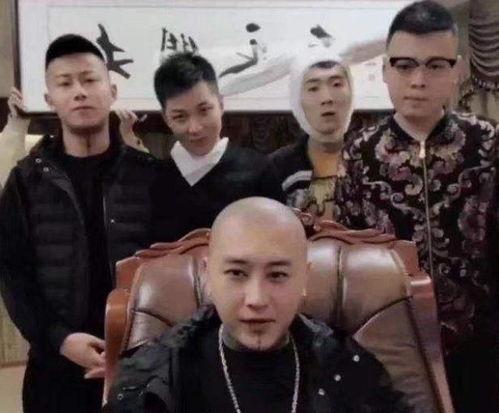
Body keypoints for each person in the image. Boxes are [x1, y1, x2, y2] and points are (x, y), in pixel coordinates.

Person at [336, 1, 499, 411]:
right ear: (385, 70)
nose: (418, 81)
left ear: (457, 70)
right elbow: (348, 260)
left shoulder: (488, 144)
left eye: (435, 66)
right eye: (405, 66)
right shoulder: (360, 153)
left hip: (482, 343)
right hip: (388, 349)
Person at [107, 197, 410, 413]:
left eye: (277, 275)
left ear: (304, 279)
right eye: (237, 274)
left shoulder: (345, 367)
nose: (256, 299)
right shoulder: (158, 377)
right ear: (208, 275)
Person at [0, 34, 160, 413]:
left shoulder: (151, 175)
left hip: (140, 366)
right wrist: (59, 339)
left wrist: (143, 348)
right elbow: (13, 274)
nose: (79, 92)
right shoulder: (26, 181)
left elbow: (168, 272)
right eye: (65, 83)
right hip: (55, 367)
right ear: (50, 98)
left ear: (112, 91)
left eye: (90, 80)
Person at [152, 52, 284, 238]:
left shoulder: (258, 170)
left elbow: (280, 240)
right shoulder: (155, 180)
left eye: (204, 110)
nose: (195, 128)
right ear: (166, 119)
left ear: (221, 104)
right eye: (180, 117)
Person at [0, 88, 148, 187]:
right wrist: (17, 122)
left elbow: (146, 182)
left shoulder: (114, 163)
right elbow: (9, 180)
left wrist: (127, 134)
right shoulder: (43, 158)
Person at [270, 51, 353, 219]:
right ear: (296, 100)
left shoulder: (374, 158)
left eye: (336, 84)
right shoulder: (275, 168)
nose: (327, 98)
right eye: (313, 88)